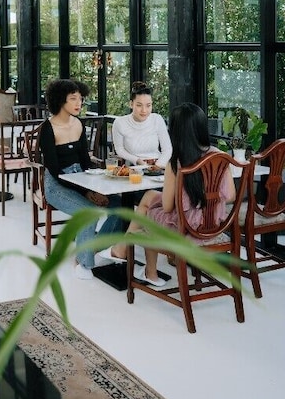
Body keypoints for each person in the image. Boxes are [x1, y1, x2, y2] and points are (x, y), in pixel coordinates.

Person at [99, 102, 234, 289]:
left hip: (186, 229)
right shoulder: (220, 156)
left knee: (149, 213)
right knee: (149, 197)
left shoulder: (176, 162)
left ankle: (137, 261)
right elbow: (231, 196)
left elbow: (168, 206)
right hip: (214, 225)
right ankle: (133, 259)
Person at [38, 78, 124, 280]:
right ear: (60, 100)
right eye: (73, 99)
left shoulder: (78, 124)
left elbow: (85, 162)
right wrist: (87, 192)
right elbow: (56, 171)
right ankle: (83, 263)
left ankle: (96, 248)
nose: (79, 103)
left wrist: (98, 186)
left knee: (120, 206)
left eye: (81, 99)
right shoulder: (47, 129)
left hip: (81, 178)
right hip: (57, 185)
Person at [111, 81, 171, 168]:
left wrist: (157, 166)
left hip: (159, 166)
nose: (144, 110)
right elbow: (119, 149)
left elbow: (167, 149)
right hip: (134, 167)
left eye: (148, 105)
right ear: (131, 104)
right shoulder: (120, 123)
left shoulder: (157, 119)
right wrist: (137, 160)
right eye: (139, 105)